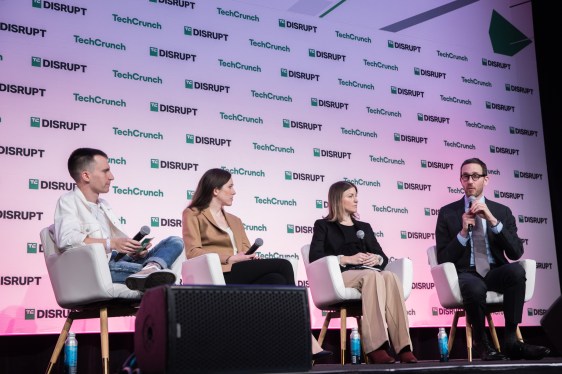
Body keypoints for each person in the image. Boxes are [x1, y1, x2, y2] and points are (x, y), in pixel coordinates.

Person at [182, 168, 331, 359]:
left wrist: (248, 257)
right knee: (283, 265)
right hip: (218, 275)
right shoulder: (193, 214)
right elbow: (193, 251)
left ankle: (283, 349)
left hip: (240, 271)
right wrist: (229, 258)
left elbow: (244, 248)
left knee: (276, 279)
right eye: (230, 186)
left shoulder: (235, 221)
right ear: (215, 190)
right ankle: (304, 338)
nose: (234, 191)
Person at [435, 157, 550, 360]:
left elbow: (516, 252)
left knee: (516, 271)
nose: (470, 181)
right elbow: (443, 258)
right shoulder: (448, 213)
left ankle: (511, 342)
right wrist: (462, 233)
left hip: (494, 271)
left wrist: (493, 221)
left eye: (475, 176)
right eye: (465, 176)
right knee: (475, 287)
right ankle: (483, 345)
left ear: (485, 180)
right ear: (460, 180)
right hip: (465, 272)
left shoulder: (502, 212)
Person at [309, 180, 418, 364]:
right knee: (373, 276)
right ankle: (376, 347)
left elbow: (382, 255)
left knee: (390, 276)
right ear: (337, 200)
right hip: (340, 276)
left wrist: (377, 259)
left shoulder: (364, 227)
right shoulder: (323, 225)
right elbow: (315, 256)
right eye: (350, 196)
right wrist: (345, 259)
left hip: (368, 272)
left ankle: (403, 347)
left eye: (356, 196)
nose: (356, 200)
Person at [54, 147, 184, 292]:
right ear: (86, 175)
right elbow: (66, 240)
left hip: (120, 261)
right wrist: (112, 243)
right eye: (105, 171)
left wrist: (133, 250)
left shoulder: (104, 205)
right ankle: (152, 272)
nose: (111, 177)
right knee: (165, 275)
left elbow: (118, 246)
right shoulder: (68, 201)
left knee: (175, 241)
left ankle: (151, 268)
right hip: (100, 268)